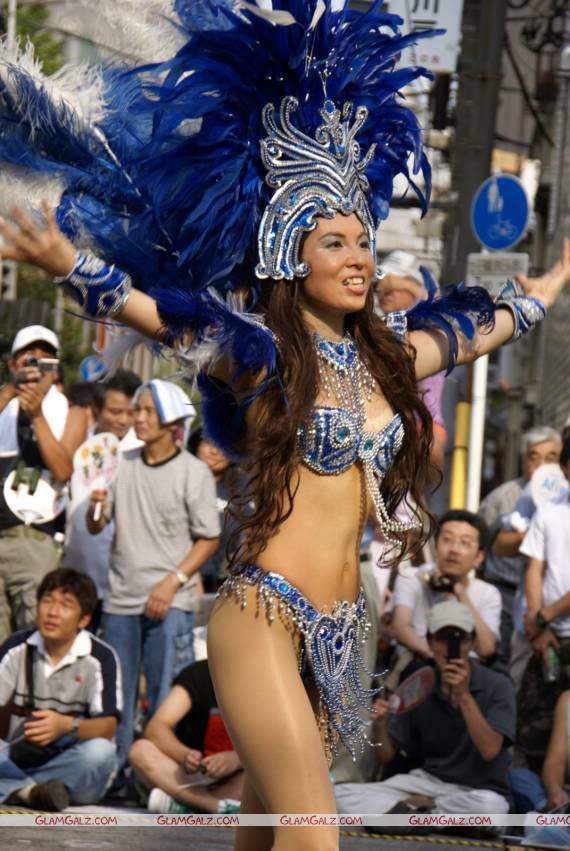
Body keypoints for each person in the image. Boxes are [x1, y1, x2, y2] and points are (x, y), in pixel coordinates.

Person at [0, 4, 568, 849]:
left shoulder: (388, 358)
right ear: (288, 254)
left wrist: (558, 274)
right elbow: (160, 318)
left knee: (265, 837)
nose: (358, 257)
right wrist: (67, 263)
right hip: (264, 615)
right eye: (333, 241)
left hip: (343, 629)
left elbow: (491, 323)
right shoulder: (261, 355)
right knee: (314, 832)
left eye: (363, 240)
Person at [87, 379, 220, 767]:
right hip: (120, 599)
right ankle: (118, 772)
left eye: (146, 411)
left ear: (171, 420)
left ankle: (159, 773)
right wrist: (95, 509)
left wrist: (171, 582)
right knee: (118, 694)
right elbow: (98, 525)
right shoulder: (120, 464)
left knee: (165, 695)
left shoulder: (194, 472)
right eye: (135, 410)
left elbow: (209, 539)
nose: (137, 418)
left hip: (171, 601)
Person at [334, 600, 515, 817]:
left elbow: (490, 751)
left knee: (490, 809)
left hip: (476, 789)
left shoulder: (497, 684)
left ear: (471, 643)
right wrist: (380, 725)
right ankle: (426, 814)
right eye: (441, 638)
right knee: (339, 795)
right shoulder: (421, 682)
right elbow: (386, 756)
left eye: (458, 639)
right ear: (429, 642)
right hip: (426, 782)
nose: (449, 647)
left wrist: (464, 696)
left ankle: (419, 811)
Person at [0, 568, 121, 811]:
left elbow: (108, 727)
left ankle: (18, 790)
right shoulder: (16, 647)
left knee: (101, 753)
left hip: (70, 763)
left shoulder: (101, 657)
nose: (53, 612)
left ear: (84, 619)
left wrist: (66, 726)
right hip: (16, 760)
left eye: (65, 605)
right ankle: (31, 792)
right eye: (47, 601)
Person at [0, 326, 85, 644]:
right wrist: (11, 391)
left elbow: (63, 469)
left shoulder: (71, 410)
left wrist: (36, 415)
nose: (37, 368)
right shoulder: (4, 401)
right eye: (29, 360)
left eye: (46, 361)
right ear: (12, 364)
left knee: (29, 640)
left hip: (35, 539)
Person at [479, 426, 562, 668]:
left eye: (551, 458)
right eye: (533, 457)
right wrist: (535, 535)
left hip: (556, 608)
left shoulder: (563, 496)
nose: (541, 465)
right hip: (508, 597)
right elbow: (495, 546)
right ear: (524, 460)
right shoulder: (505, 497)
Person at [62, 368, 142, 615]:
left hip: (120, 586)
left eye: (131, 413)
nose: (123, 420)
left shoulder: (139, 452)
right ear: (96, 409)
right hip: (74, 573)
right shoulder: (77, 446)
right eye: (115, 412)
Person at [516, 439, 570, 768]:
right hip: (548, 636)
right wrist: (538, 626)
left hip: (550, 624)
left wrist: (542, 617)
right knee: (535, 723)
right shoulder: (549, 512)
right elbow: (534, 569)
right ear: (565, 468)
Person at [129, 658, 242, 814]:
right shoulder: (200, 673)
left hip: (238, 779)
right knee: (140, 750)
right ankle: (214, 807)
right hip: (190, 777)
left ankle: (186, 805)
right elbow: (156, 727)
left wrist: (236, 759)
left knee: (272, 767)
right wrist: (185, 755)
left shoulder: (272, 679)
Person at [391, 510, 500, 667]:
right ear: (435, 546)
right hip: (420, 664)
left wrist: (459, 592)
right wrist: (441, 661)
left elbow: (487, 649)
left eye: (465, 543)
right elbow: (399, 628)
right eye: (447, 539)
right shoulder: (412, 577)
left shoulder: (489, 593)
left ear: (479, 557)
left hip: (468, 669)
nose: (454, 549)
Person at [376, 251, 447, 470]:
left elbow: (438, 303)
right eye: (379, 288)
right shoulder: (381, 328)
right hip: (390, 428)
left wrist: (405, 283)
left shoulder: (426, 323)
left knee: (407, 501)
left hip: (424, 427)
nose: (384, 293)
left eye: (393, 288)